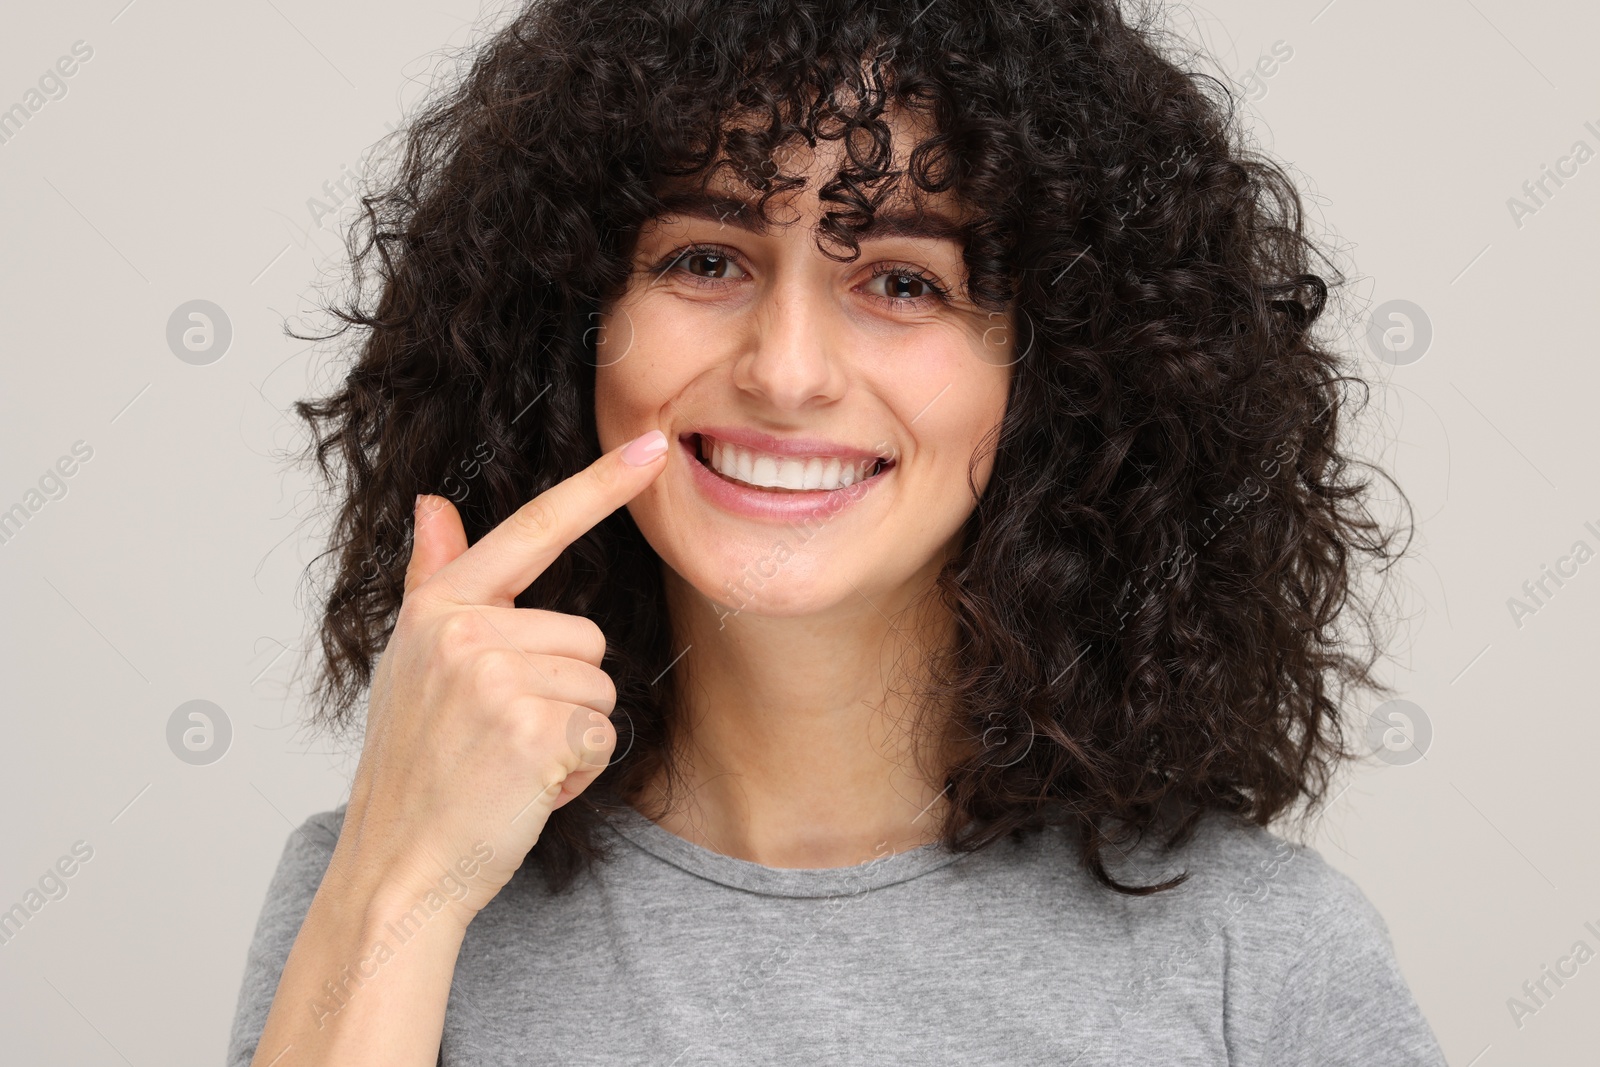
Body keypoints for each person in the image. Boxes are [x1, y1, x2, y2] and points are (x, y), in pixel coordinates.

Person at [227, 1, 1449, 1064]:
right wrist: (399, 880)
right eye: (704, 258)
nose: (788, 372)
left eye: (904, 282)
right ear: (563, 325)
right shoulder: (385, 878)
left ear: (1058, 372)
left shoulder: (1256, 954)